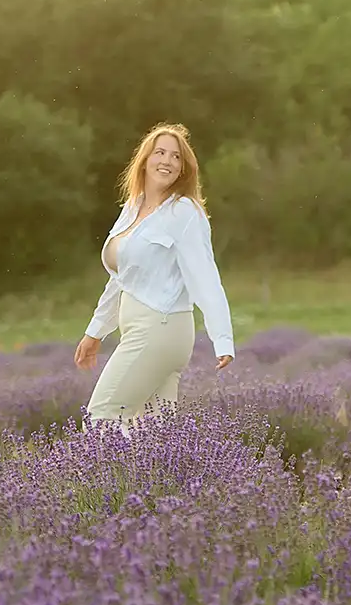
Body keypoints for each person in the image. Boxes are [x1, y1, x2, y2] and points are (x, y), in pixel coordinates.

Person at [75, 124, 234, 430]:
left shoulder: (183, 212)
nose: (167, 161)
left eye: (176, 157)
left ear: (183, 168)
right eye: (160, 152)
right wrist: (96, 331)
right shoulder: (133, 208)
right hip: (144, 329)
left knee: (102, 416)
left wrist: (223, 338)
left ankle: (99, 478)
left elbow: (205, 277)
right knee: (153, 438)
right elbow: (120, 279)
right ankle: (162, 480)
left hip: (159, 329)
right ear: (145, 160)